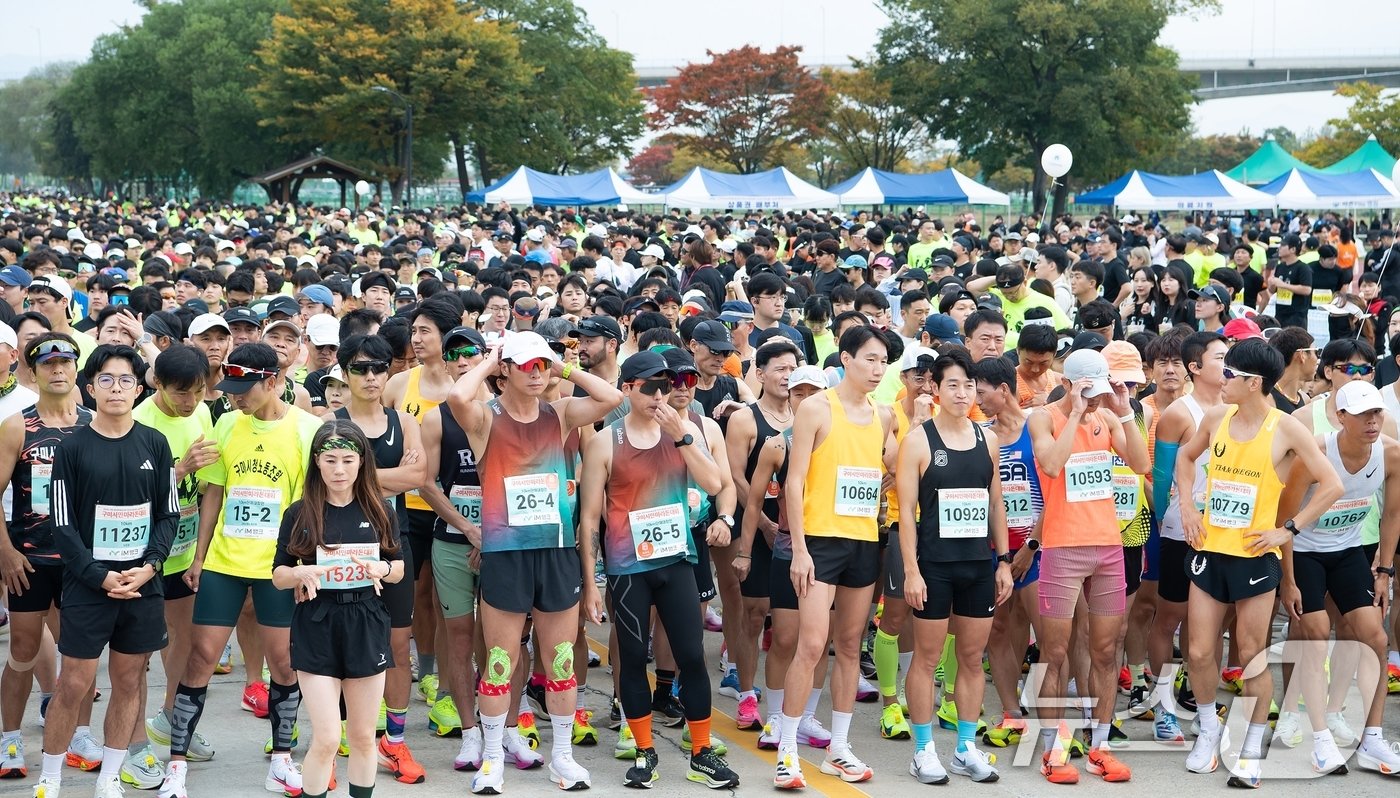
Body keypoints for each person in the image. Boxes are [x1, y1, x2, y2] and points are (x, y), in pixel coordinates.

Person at [446, 331, 622, 794]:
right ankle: (491, 759)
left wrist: (562, 368)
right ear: (507, 368)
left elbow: (612, 395)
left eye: (542, 365)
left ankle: (562, 759)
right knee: (500, 662)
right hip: (506, 554)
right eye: (527, 365)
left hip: (556, 552)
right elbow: (457, 394)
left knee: (560, 661)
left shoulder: (561, 413)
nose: (537, 373)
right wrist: (491, 360)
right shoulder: (485, 418)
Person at [157, 342, 323, 798]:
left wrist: (303, 565)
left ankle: (282, 759)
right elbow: (213, 493)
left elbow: (311, 503)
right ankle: (176, 766)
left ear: (272, 381)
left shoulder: (306, 429)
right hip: (224, 564)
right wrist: (197, 556)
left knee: (284, 663)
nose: (235, 397)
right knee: (200, 657)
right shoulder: (226, 422)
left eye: (245, 389)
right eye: (229, 389)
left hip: (277, 566)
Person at [1177, 339, 1343, 787]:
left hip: (1255, 557)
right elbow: (1185, 457)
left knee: (1250, 656)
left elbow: (1330, 486)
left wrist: (1287, 530)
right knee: (1197, 650)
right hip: (1210, 552)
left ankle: (1251, 744)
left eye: (1229, 374)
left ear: (1253, 383)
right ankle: (1209, 729)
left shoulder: (1286, 428)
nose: (1221, 380)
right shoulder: (1215, 418)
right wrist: (1189, 508)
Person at [578, 350, 738, 789]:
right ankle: (645, 751)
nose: (659, 395)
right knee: (631, 660)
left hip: (676, 561)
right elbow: (589, 519)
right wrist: (592, 584)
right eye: (649, 386)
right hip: (628, 570)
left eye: (664, 386)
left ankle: (702, 753)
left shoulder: (682, 430)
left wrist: (682, 437)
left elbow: (713, 485)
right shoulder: (604, 442)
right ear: (627, 388)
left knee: (691, 656)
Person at [33, 343, 180, 798]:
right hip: (88, 585)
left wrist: (150, 566)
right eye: (107, 380)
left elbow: (168, 515)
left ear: (139, 389)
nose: (116, 389)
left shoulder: (155, 442)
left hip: (141, 585)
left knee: (130, 679)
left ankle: (112, 776)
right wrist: (98, 576)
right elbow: (62, 524)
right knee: (75, 681)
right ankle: (50, 778)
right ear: (90, 386)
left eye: (126, 381)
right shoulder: (71, 448)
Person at [774, 325, 895, 789]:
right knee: (810, 644)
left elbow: (889, 467)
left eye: (883, 361)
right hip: (819, 542)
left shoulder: (884, 415)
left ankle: (839, 748)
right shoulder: (814, 407)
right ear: (845, 359)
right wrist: (800, 551)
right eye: (869, 359)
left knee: (849, 647)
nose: (877, 369)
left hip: (864, 541)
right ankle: (787, 749)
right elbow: (794, 481)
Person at [1029, 348, 1147, 785]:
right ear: (1068, 383)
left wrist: (1124, 409)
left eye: (1100, 389)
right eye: (1088, 391)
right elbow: (1053, 465)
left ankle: (1101, 746)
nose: (1096, 398)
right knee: (1055, 652)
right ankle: (1052, 750)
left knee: (1105, 649)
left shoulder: (1110, 415)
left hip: (1108, 546)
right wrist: (1077, 412)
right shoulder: (1043, 418)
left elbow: (1141, 464)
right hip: (1063, 547)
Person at [272, 421, 406, 798]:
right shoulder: (300, 513)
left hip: (366, 620)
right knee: (328, 737)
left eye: (348, 460)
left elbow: (398, 567)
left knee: (363, 737)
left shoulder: (380, 510)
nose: (339, 469)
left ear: (362, 463)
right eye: (330, 460)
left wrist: (382, 568)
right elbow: (278, 575)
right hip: (317, 622)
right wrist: (301, 572)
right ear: (317, 462)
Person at [898, 348, 1013, 784]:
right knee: (927, 659)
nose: (963, 393)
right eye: (953, 385)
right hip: (934, 566)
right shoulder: (919, 441)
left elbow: (995, 503)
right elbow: (906, 512)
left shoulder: (988, 439)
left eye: (969, 385)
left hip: (978, 567)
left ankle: (966, 748)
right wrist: (911, 569)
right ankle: (924, 749)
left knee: (970, 657)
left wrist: (1002, 561)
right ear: (935, 388)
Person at [1277, 380, 1400, 776]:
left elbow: (1393, 515)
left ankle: (1373, 739)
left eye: (1377, 412)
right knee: (1314, 633)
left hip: (1348, 552)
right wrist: (1288, 580)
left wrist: (1383, 571)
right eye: (1363, 414)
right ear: (1341, 416)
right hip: (1306, 552)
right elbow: (1285, 522)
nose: (1372, 421)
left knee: (1375, 636)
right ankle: (1320, 739)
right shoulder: (1315, 453)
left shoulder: (1391, 454)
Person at [332, 335, 428, 783]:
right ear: (345, 373)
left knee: (395, 645)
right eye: (360, 369)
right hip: (339, 546)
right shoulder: (329, 422)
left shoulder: (403, 422)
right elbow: (327, 484)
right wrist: (388, 479)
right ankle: (339, 740)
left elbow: (418, 475)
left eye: (379, 368)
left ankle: (394, 737)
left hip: (393, 544)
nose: (371, 377)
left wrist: (355, 477)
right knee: (338, 645)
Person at [0, 334, 96, 780]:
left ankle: (80, 733)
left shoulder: (95, 423)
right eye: (49, 363)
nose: (58, 370)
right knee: (21, 651)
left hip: (82, 562)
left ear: (76, 369)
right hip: (31, 559)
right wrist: (5, 553)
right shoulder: (17, 425)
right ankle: (10, 739)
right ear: (32, 371)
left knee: (82, 653)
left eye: (66, 362)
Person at [128, 345, 219, 786]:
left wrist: (200, 554)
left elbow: (207, 488)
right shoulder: (140, 421)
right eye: (181, 393)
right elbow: (126, 490)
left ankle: (171, 720)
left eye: (198, 392)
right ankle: (134, 747)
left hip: (181, 552)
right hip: (142, 556)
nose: (190, 402)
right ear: (157, 383)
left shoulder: (202, 413)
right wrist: (180, 471)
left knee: (183, 641)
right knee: (136, 656)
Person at [719, 339, 802, 734]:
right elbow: (734, 476)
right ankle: (747, 693)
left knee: (791, 624)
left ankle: (784, 705)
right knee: (752, 614)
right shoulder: (745, 420)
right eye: (779, 369)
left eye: (792, 369)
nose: (787, 377)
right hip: (753, 524)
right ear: (761, 373)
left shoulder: (808, 416)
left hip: (795, 530)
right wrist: (767, 527)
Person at [972, 355, 1046, 748]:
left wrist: (1031, 547)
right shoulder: (981, 434)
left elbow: (1055, 493)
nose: (976, 399)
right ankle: (1011, 713)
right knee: (999, 629)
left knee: (1050, 637)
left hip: (1038, 548)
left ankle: (1054, 719)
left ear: (1003, 390)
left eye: (981, 392)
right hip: (996, 549)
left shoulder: (1038, 427)